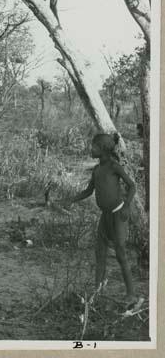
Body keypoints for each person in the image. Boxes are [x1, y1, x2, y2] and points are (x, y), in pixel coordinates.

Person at [70, 132, 141, 308]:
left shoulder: (113, 166)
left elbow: (132, 186)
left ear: (102, 149)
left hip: (118, 214)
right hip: (105, 216)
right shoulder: (97, 169)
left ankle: (131, 294)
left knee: (121, 254)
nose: (90, 149)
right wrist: (69, 200)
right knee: (99, 253)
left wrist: (126, 207)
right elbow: (88, 191)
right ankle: (97, 293)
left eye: (93, 146)